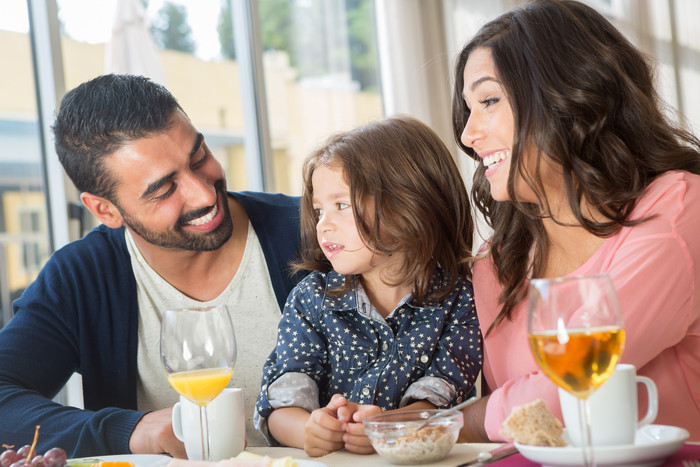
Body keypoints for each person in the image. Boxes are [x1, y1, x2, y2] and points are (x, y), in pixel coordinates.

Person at [0, 74, 303, 456]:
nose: (204, 193)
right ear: (105, 210)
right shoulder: (82, 276)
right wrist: (131, 430)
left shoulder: (314, 234)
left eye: (199, 158)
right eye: (164, 190)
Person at [451, 0, 700, 442]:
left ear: (563, 96)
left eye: (488, 100)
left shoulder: (677, 212)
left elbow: (567, 386)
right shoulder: (496, 264)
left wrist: (452, 424)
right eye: (469, 110)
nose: (468, 136)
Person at [254, 115, 483, 456]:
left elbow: (440, 404)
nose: (323, 225)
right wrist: (310, 431)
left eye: (341, 206)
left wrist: (387, 428)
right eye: (318, 211)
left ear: (410, 203)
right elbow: (280, 404)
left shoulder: (460, 301)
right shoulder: (311, 299)